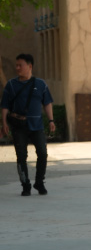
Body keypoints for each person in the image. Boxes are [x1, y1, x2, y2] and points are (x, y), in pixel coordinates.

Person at [1, 53, 55, 196]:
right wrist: (4, 122)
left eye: (20, 65)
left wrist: (51, 120)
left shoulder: (41, 84)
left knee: (42, 154)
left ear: (29, 66)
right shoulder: (11, 85)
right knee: (21, 156)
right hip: (18, 126)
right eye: (16, 65)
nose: (17, 68)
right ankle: (25, 185)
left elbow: (47, 103)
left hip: (37, 125)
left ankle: (39, 182)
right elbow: (5, 105)